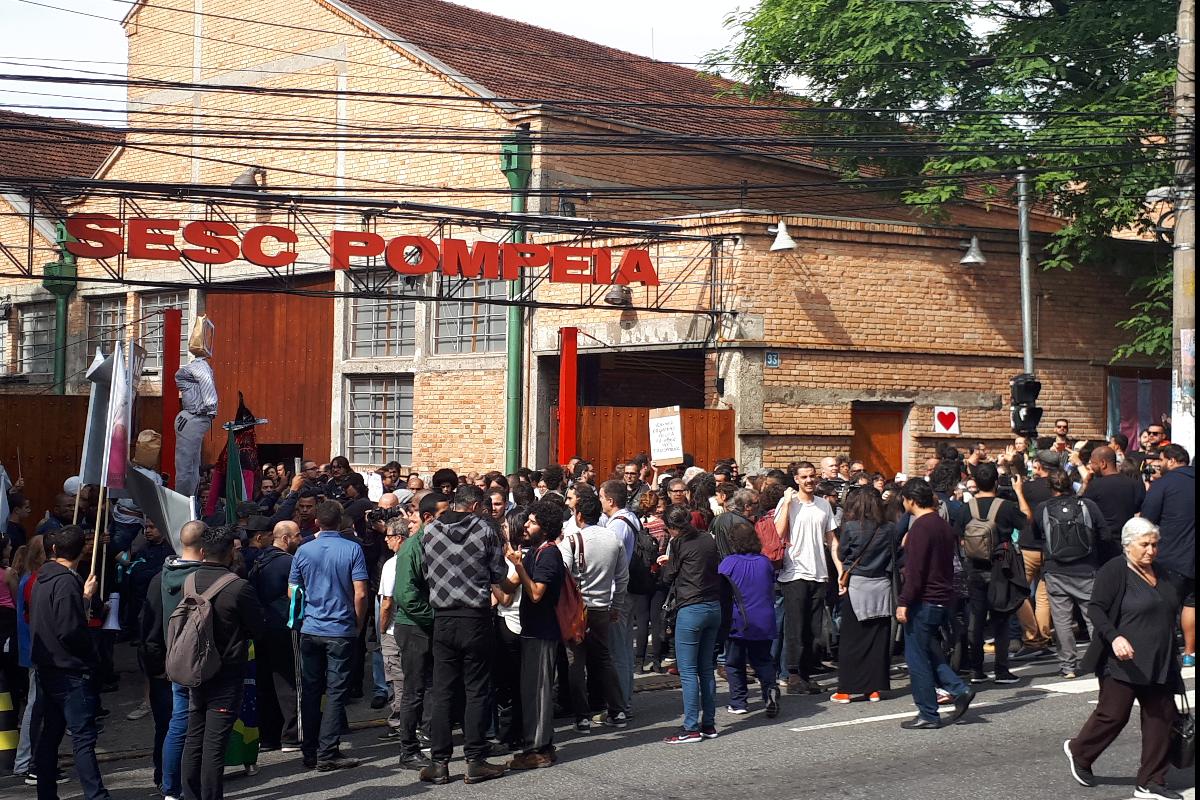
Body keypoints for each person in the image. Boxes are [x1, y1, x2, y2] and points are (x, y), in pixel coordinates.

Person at [1064, 518, 1186, 800]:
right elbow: (1095, 609)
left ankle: (1151, 781)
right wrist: (1115, 636)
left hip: (1159, 660)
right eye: (1145, 544)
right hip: (1122, 661)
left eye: (1155, 544)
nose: (1151, 551)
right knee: (1113, 716)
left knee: (1161, 720)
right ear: (1128, 544)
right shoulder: (1115, 570)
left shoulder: (1164, 572)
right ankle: (1079, 751)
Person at [418, 485, 517, 785]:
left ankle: (439, 763)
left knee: (443, 691)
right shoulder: (485, 531)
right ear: (474, 507)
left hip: (444, 618)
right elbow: (499, 572)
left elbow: (425, 572)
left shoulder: (430, 532)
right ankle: (475, 760)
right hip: (475, 617)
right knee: (476, 690)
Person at [180, 525, 266, 800]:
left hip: (194, 667)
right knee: (215, 744)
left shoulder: (189, 581)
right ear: (231, 553)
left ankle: (190, 795)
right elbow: (257, 629)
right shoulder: (239, 587)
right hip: (227, 672)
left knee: (194, 736)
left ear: (202, 552)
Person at [29, 525, 109, 800]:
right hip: (70, 672)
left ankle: (46, 792)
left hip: (49, 668)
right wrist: (91, 654)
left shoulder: (44, 578)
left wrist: (85, 598)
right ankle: (95, 795)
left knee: (51, 734)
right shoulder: (64, 582)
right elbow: (70, 630)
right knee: (82, 738)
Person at [288, 501, 369, 772]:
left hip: (311, 627)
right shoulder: (352, 549)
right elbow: (360, 592)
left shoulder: (303, 549)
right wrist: (358, 625)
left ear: (316, 523)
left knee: (310, 691)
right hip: (340, 628)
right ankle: (328, 751)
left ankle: (309, 750)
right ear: (341, 523)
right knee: (336, 693)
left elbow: (292, 592)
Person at [895, 480, 975, 730]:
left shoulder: (921, 528)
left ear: (910, 500)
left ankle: (928, 713)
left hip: (924, 599)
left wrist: (904, 602)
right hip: (942, 596)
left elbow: (915, 570)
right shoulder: (942, 525)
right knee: (929, 650)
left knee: (916, 657)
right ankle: (957, 688)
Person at [144, 520, 208, 800]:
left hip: (169, 664)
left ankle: (169, 783)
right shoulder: (204, 579)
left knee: (172, 726)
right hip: (196, 664)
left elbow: (148, 626)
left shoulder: (161, 577)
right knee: (189, 726)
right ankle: (181, 782)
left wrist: (156, 665)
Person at [559, 492, 629, 732]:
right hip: (601, 607)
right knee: (603, 659)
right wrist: (616, 606)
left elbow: (561, 575)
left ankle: (582, 715)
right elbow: (622, 578)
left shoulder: (571, 540)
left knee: (575, 662)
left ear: (579, 515)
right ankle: (617, 709)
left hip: (577, 609)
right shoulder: (613, 539)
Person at [504, 501, 565, 769]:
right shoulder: (533, 552)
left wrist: (518, 566)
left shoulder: (550, 554)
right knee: (530, 690)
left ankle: (538, 750)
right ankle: (541, 745)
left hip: (543, 632)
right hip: (531, 631)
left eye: (532, 522)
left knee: (539, 691)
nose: (526, 526)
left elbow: (537, 593)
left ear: (546, 528)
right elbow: (509, 587)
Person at [1032, 470, 1110, 678]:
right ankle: (1101, 660)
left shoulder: (1043, 508)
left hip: (1055, 570)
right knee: (1093, 616)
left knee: (1062, 620)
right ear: (1070, 485)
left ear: (1050, 487)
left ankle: (1068, 667)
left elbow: (1034, 536)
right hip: (1087, 568)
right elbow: (1104, 534)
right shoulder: (1088, 505)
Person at [773, 461, 838, 694]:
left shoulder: (823, 505)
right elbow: (778, 533)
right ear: (796, 480)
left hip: (818, 573)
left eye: (812, 476)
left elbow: (832, 540)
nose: (809, 480)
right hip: (793, 573)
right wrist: (788, 502)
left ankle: (806, 673)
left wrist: (840, 571)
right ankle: (792, 674)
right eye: (804, 477)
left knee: (813, 628)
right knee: (795, 627)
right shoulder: (787, 503)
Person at [660, 505, 722, 743]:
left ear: (673, 527)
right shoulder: (708, 539)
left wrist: (667, 563)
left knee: (687, 672)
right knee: (706, 668)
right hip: (712, 606)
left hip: (691, 607)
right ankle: (709, 724)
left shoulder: (678, 543)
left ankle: (691, 727)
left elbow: (669, 577)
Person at [965, 463, 1030, 683]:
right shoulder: (1006, 506)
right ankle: (1002, 670)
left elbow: (959, 535)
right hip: (1000, 568)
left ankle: (976, 669)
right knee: (1001, 618)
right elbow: (1026, 521)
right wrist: (1019, 492)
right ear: (995, 482)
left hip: (974, 568)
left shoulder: (968, 507)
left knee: (976, 618)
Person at [833, 487, 899, 703]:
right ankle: (875, 688)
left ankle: (846, 689)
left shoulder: (851, 527)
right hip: (882, 584)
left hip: (858, 585)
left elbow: (843, 554)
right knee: (878, 639)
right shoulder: (890, 528)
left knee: (852, 639)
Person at [392, 491, 442, 771]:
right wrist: (435, 617)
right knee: (415, 689)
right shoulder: (412, 547)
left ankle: (434, 738)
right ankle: (408, 748)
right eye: (442, 515)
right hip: (414, 627)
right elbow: (405, 595)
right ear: (427, 518)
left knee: (435, 686)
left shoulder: (439, 543)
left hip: (430, 625)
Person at [247, 520, 301, 752]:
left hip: (261, 628)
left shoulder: (258, 560)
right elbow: (296, 595)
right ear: (286, 539)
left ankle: (268, 736)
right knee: (291, 682)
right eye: (297, 536)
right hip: (284, 628)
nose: (301, 539)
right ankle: (292, 735)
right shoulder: (290, 563)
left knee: (266, 682)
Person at [1139, 444, 1194, 667]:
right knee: (1192, 603)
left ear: (1171, 460)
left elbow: (1147, 518)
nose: (1159, 465)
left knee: (1167, 605)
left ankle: (1169, 650)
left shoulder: (1163, 484)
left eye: (1161, 460)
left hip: (1171, 555)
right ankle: (1190, 651)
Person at [718, 521, 779, 717]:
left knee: (734, 663)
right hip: (764, 618)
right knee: (763, 660)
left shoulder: (729, 563)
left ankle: (738, 702)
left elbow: (720, 590)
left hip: (738, 620)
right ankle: (770, 690)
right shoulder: (764, 562)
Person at [374, 517, 408, 742]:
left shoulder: (392, 564)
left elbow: (387, 602)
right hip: (413, 628)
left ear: (399, 538)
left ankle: (400, 722)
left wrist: (382, 628)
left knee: (396, 678)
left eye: (388, 536)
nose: (385, 540)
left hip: (394, 629)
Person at [1083, 445, 1146, 562]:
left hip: (1102, 544)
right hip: (1128, 541)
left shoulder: (1095, 486)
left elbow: (1082, 509)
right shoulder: (1134, 484)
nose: (1091, 467)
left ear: (1103, 463)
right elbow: (1140, 508)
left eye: (1093, 463)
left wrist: (1085, 484)